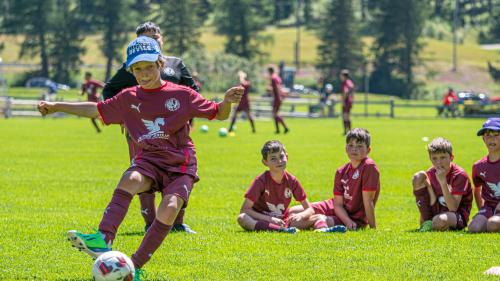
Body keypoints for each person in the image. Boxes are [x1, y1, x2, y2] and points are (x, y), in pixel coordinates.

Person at [38, 36, 243, 279]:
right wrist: (57, 106)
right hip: (149, 159)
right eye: (137, 69)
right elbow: (96, 109)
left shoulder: (183, 94)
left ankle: (134, 267)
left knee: (169, 208)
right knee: (130, 179)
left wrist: (227, 102)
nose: (143, 73)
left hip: (180, 163)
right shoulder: (128, 98)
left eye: (148, 67)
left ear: (160, 64)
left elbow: (218, 114)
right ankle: (103, 238)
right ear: (131, 70)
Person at [102, 22, 200, 234]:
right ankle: (150, 222)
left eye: (156, 36)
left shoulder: (175, 64)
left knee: (179, 175)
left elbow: (194, 92)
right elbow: (109, 90)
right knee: (142, 174)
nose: (154, 40)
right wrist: (123, 116)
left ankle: (177, 223)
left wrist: (188, 114)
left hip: (175, 135)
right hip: (141, 134)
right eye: (147, 38)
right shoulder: (133, 66)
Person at [288, 128, 379, 232]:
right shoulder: (341, 171)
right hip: (336, 208)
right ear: (346, 148)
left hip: (353, 218)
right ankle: (319, 221)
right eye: (351, 145)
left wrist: (372, 228)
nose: (354, 149)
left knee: (308, 220)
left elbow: (368, 201)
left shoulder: (369, 167)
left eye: (359, 146)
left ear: (368, 150)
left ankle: (320, 221)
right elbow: (338, 204)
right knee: (292, 211)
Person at [237, 140, 314, 233]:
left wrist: (301, 216)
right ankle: (281, 230)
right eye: (273, 158)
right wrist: (270, 219)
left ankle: (322, 226)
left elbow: (309, 209)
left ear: (287, 157)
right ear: (265, 162)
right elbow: (245, 210)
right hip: (260, 218)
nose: (279, 161)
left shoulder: (292, 180)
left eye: (281, 156)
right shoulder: (260, 181)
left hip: (282, 219)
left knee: (310, 213)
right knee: (242, 218)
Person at [412, 137, 473, 232]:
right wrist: (428, 186)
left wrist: (443, 182)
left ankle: (434, 224)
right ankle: (427, 221)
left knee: (439, 221)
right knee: (418, 177)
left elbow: (453, 208)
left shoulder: (460, 175)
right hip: (437, 210)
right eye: (434, 158)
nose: (438, 162)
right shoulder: (431, 172)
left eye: (443, 157)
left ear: (451, 157)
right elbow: (431, 197)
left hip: (456, 215)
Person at [468, 118, 500, 233]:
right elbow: (477, 190)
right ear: (483, 139)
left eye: (496, 135)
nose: (491, 139)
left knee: (493, 224)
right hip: (489, 206)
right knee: (474, 228)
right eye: (487, 135)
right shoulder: (478, 166)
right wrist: (482, 210)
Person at [268, 67, 289, 134]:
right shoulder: (277, 77)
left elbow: (277, 88)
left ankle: (285, 128)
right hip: (278, 97)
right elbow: (279, 87)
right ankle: (278, 130)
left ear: (270, 71)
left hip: (277, 98)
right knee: (276, 113)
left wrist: (278, 96)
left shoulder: (273, 78)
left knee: (275, 114)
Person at [340, 69, 354, 135]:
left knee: (345, 117)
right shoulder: (350, 82)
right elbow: (352, 91)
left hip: (346, 101)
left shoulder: (345, 82)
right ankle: (350, 131)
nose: (340, 77)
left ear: (344, 76)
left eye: (341, 75)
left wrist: (343, 100)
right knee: (347, 116)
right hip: (350, 101)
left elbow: (345, 91)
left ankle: (347, 131)